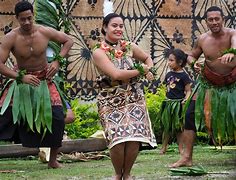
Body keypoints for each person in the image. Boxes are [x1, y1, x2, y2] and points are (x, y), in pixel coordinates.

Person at [0, 1, 73, 168]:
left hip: (44, 79)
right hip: (21, 81)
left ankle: (53, 160)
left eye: (29, 18)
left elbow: (68, 41)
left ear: (33, 15)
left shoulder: (44, 31)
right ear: (17, 18)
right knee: (3, 117)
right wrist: (19, 77)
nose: (26, 22)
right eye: (22, 19)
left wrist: (57, 61)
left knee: (57, 117)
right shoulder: (11, 37)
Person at [92, 13, 157, 180]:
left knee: (134, 137)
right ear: (105, 27)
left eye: (121, 26)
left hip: (134, 98)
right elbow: (116, 74)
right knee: (117, 139)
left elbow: (147, 58)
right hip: (110, 100)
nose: (119, 29)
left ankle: (127, 174)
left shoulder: (129, 46)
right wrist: (142, 70)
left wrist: (149, 68)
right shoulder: (98, 52)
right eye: (114, 25)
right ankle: (117, 174)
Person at [170, 6, 236, 168]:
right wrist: (193, 64)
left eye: (217, 19)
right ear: (206, 22)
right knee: (189, 114)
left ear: (223, 19)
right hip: (209, 84)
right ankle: (187, 157)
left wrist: (232, 52)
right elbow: (191, 56)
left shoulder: (232, 34)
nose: (214, 22)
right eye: (210, 19)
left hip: (233, 84)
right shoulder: (202, 39)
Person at [159, 49, 192, 155]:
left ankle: (181, 148)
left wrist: (186, 100)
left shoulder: (184, 76)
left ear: (180, 62)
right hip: (168, 104)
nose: (169, 63)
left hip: (178, 104)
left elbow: (188, 91)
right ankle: (163, 148)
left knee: (179, 128)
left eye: (171, 60)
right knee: (166, 127)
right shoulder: (168, 74)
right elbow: (166, 87)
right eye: (168, 60)